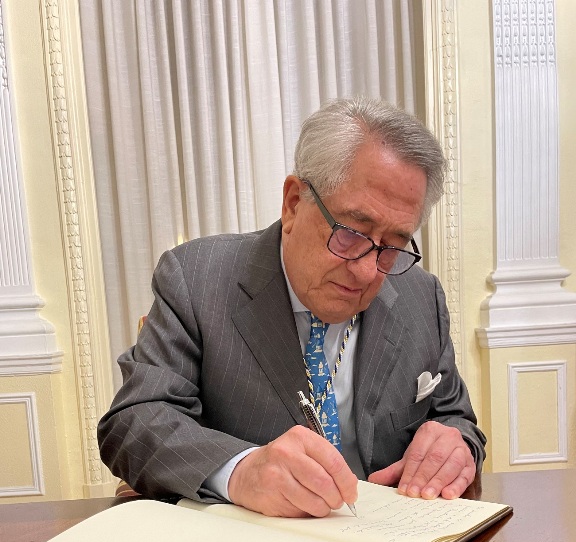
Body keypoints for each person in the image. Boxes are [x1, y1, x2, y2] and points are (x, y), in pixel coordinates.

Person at [98, 96, 486, 517]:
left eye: (393, 245)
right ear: (293, 203)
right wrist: (240, 471)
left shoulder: (418, 296)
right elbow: (134, 422)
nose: (366, 272)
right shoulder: (197, 279)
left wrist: (457, 443)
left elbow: (455, 417)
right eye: (352, 232)